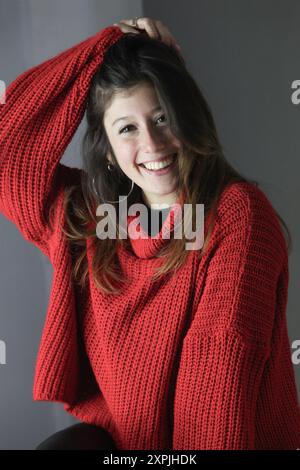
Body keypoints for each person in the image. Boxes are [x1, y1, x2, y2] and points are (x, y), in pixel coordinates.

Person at [0, 16, 299, 450]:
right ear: (106, 148)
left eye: (162, 117)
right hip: (118, 443)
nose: (153, 145)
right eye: (127, 128)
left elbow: (216, 395)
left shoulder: (236, 216)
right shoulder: (97, 221)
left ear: (189, 118)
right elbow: (7, 152)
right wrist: (101, 47)